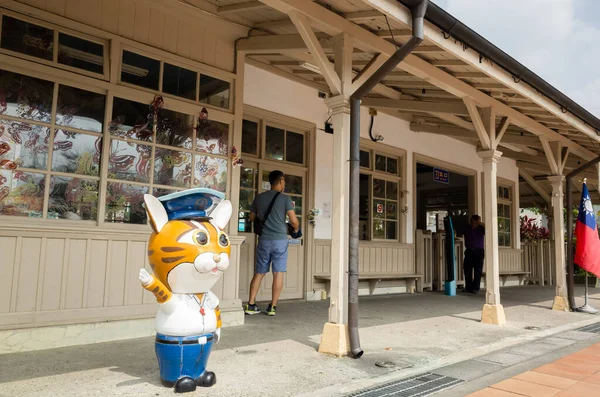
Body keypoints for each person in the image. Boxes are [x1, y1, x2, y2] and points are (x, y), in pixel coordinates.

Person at [245, 170, 299, 316]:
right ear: (281, 181)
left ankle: (250, 304)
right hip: (280, 241)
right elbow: (293, 220)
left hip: (264, 240)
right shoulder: (285, 199)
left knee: (259, 272)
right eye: (284, 182)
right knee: (278, 273)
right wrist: (296, 228)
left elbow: (251, 217)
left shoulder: (259, 198)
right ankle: (272, 307)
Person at [458, 214, 485, 294]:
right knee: (467, 269)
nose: (474, 224)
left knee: (478, 271)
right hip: (469, 250)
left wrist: (481, 223)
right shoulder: (467, 228)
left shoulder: (481, 228)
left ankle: (475, 288)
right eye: (473, 222)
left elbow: (490, 228)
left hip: (479, 251)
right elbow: (458, 232)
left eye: (476, 222)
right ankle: (468, 287)